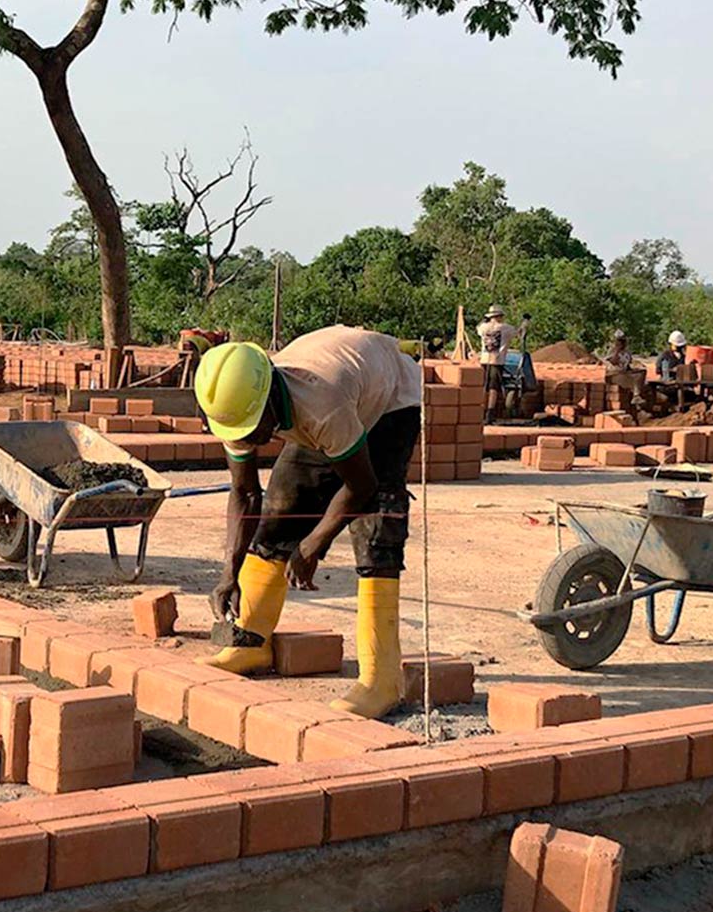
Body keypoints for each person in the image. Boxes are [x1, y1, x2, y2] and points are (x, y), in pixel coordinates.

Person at [194, 326, 423, 719]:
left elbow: (361, 486)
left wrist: (314, 543)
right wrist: (229, 571)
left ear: (270, 398)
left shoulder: (322, 405)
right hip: (340, 398)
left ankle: (381, 679)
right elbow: (246, 494)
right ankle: (251, 642)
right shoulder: (235, 406)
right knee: (281, 509)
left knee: (375, 527)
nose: (251, 438)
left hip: (389, 401)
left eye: (254, 427)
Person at [476, 305, 518, 421]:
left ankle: (480, 410)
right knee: (493, 387)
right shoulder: (505, 328)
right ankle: (490, 412)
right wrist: (524, 324)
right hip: (497, 361)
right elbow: (517, 332)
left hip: (484, 360)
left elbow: (478, 328)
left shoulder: (483, 328)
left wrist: (485, 321)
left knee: (484, 386)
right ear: (500, 316)